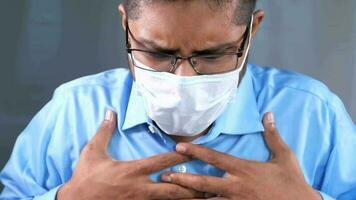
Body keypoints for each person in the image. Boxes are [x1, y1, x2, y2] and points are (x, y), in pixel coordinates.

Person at [1, 0, 355, 199]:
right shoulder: (72, 110)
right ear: (126, 26)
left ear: (252, 30)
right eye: (158, 54)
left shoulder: (314, 114)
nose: (183, 80)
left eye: (213, 55)